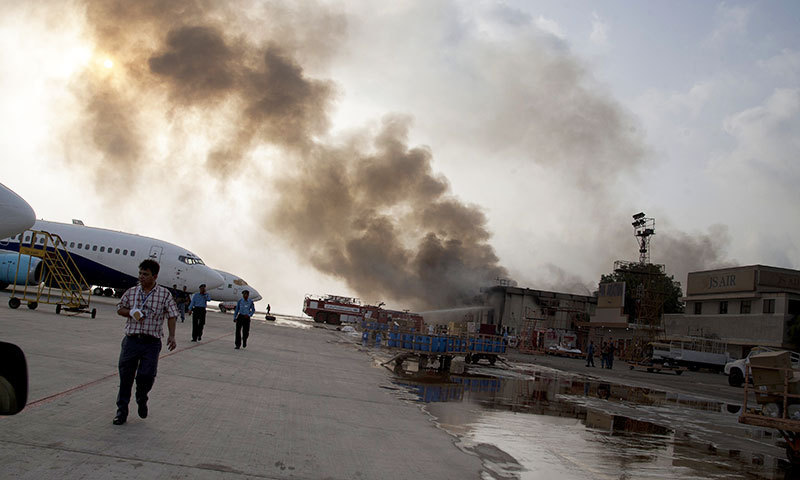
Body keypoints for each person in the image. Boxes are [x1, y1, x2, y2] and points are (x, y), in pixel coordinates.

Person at [113, 259, 178, 426]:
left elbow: (172, 315)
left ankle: (142, 397)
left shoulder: (164, 295)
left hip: (151, 343)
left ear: (154, 276)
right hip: (132, 341)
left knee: (147, 376)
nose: (141, 277)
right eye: (140, 273)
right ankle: (122, 411)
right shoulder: (132, 292)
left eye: (146, 274)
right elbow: (120, 308)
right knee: (125, 377)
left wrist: (172, 335)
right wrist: (131, 312)